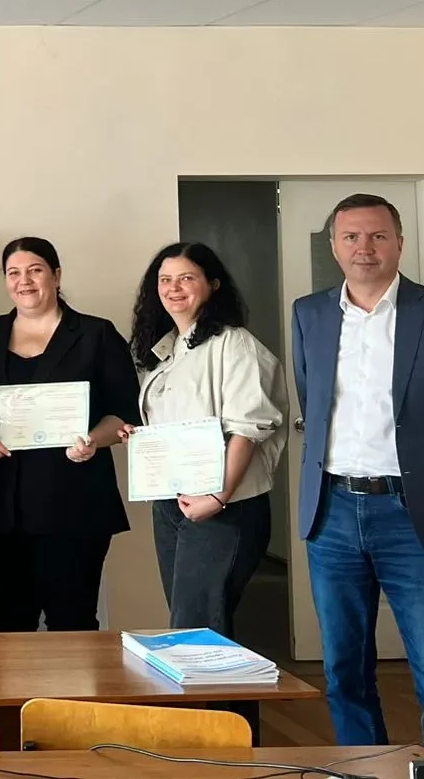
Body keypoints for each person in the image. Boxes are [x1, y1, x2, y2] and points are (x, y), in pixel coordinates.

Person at [292, 193, 424, 762]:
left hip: (417, 513)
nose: (363, 248)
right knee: (343, 668)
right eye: (351, 237)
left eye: (377, 236)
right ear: (334, 246)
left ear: (399, 244)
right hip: (333, 510)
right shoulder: (309, 314)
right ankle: (362, 769)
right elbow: (313, 402)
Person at [0, 237, 138, 633]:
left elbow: (124, 412)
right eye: (14, 273)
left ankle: (73, 680)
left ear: (56, 275)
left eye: (35, 270)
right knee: (9, 618)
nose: (24, 281)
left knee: (72, 618)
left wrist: (94, 440)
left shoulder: (96, 334)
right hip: (2, 503)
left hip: (75, 501)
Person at [125, 242, 285, 637]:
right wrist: (144, 440)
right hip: (173, 504)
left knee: (197, 625)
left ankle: (215, 684)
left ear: (213, 285)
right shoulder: (168, 350)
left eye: (186, 278)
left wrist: (217, 497)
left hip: (223, 507)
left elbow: (248, 428)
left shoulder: (235, 344)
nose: (173, 288)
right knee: (190, 623)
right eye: (165, 280)